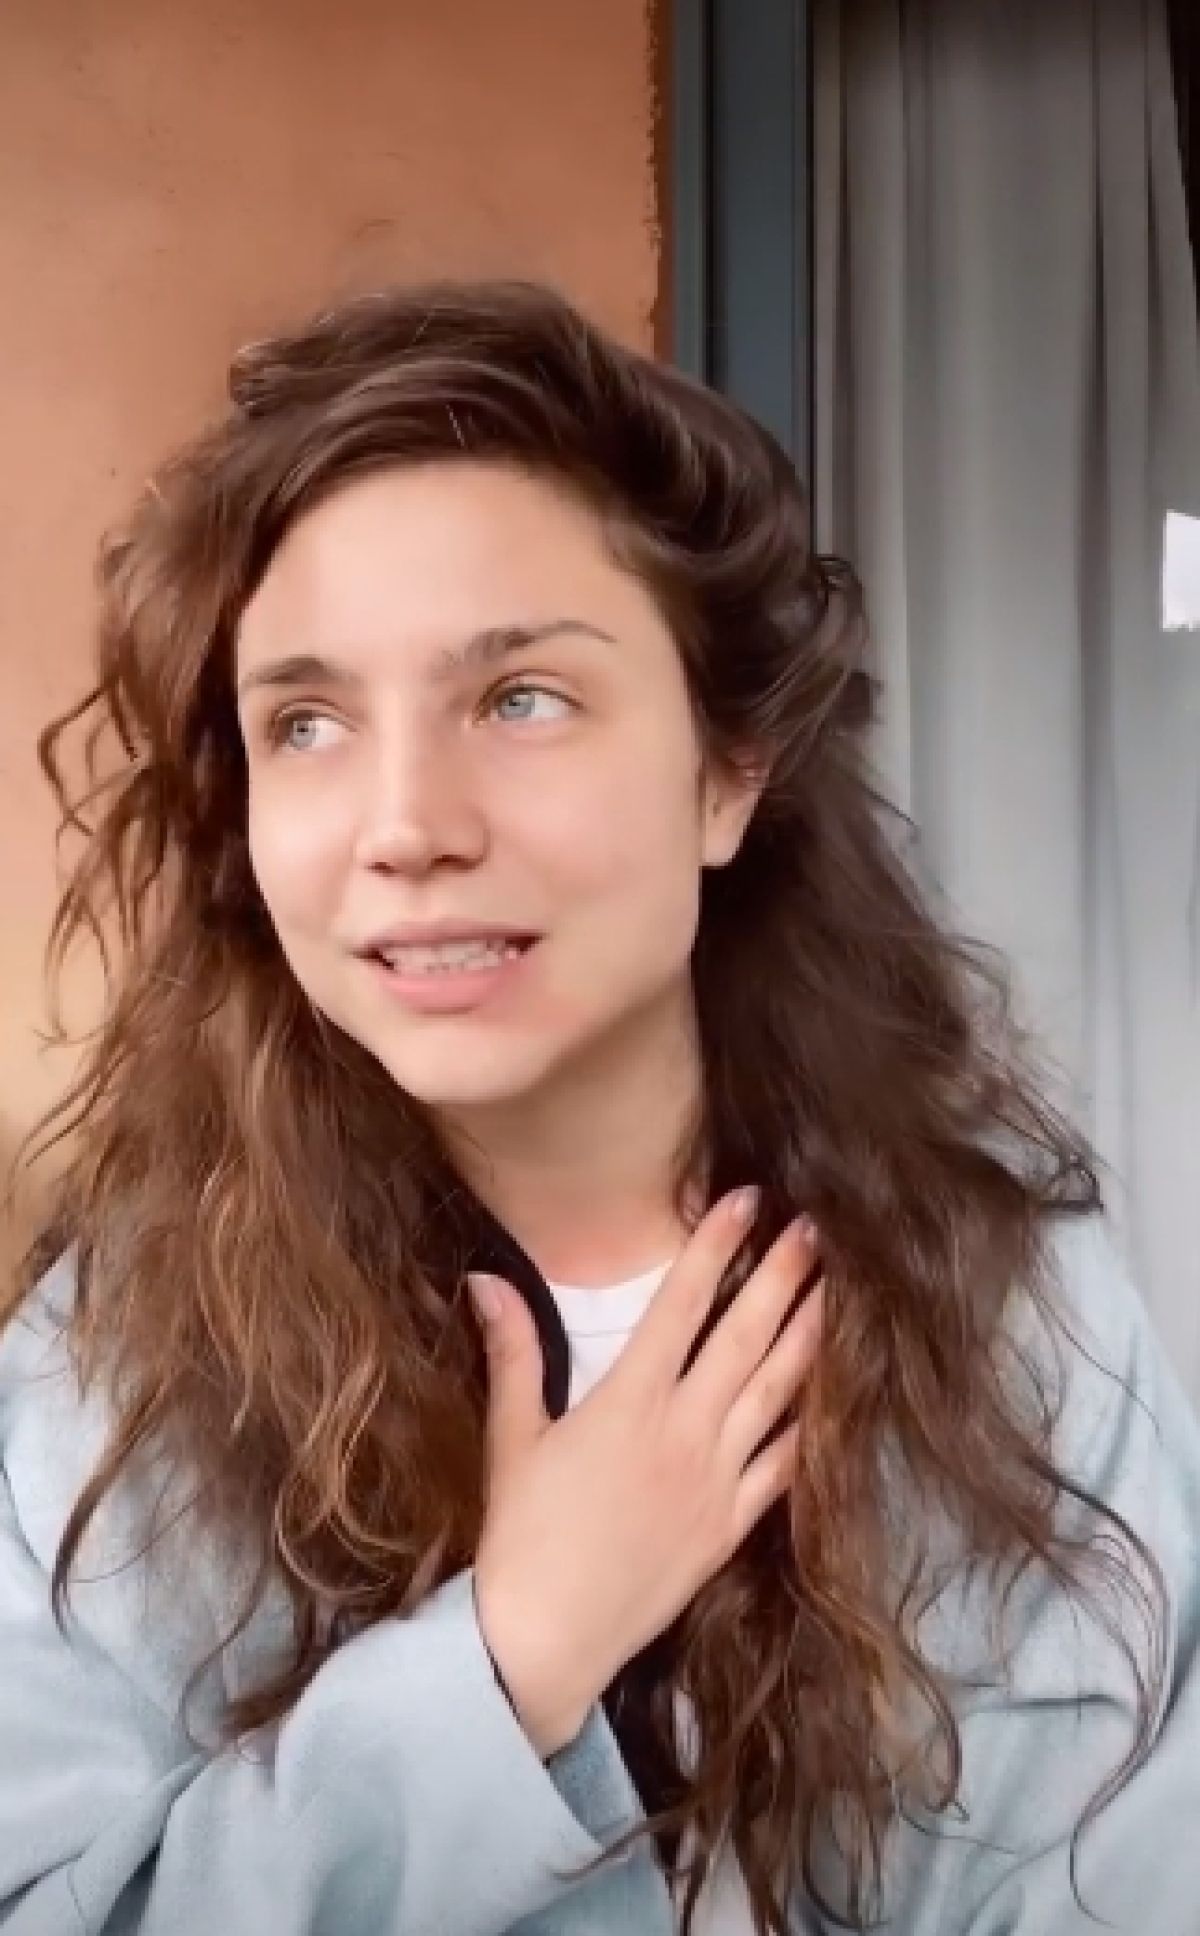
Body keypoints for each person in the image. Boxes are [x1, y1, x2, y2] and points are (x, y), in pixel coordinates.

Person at [1, 279, 1197, 1936]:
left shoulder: (1014, 1313)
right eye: (308, 723)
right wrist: (512, 1655)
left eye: (521, 699)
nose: (406, 827)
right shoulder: (114, 1362)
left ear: (727, 771)